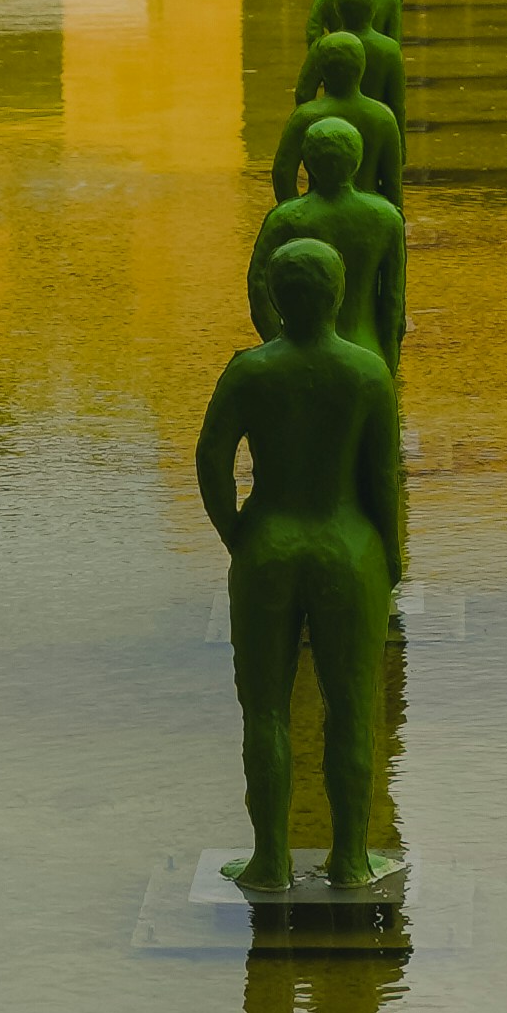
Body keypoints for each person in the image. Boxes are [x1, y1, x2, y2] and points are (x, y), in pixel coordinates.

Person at [193, 227, 402, 895]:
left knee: (266, 710)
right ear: (339, 296)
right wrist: (389, 557)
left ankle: (271, 860)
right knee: (351, 709)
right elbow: (381, 480)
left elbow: (210, 461)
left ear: (276, 300)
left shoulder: (250, 370)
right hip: (347, 545)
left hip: (270, 545)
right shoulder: (367, 371)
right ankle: (349, 859)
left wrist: (236, 533)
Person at [256, 106, 406, 371]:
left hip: (299, 355)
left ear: (307, 160)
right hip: (366, 350)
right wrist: (388, 363)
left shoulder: (285, 218)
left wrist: (277, 343)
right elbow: (393, 302)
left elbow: (257, 287)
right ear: (357, 159)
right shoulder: (385, 218)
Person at [266, 22, 403, 211]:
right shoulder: (383, 117)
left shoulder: (304, 116)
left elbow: (282, 173)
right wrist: (389, 222)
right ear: (361, 67)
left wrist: (297, 212)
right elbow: (393, 184)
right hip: (367, 212)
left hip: (316, 207)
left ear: (321, 70)